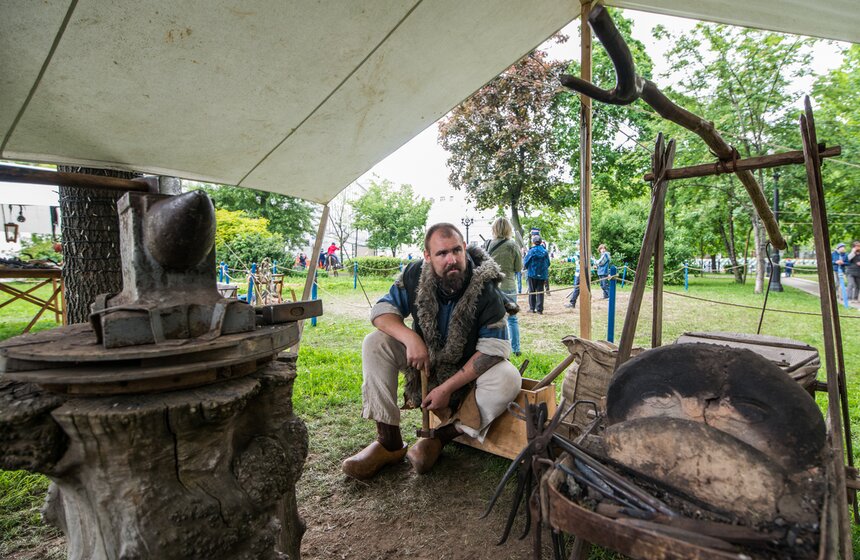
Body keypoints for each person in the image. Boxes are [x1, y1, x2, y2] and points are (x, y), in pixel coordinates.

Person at [341, 223, 521, 480]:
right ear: (427, 256)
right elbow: (381, 312)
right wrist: (411, 339)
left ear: (464, 248)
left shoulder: (487, 289)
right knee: (375, 343)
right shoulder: (415, 275)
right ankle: (389, 442)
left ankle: (440, 438)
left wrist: (447, 389)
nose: (452, 259)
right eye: (442, 253)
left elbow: (493, 350)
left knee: (508, 377)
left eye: (456, 250)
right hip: (424, 362)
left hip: (466, 375)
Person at [486, 217, 522, 356]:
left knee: (495, 319)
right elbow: (518, 267)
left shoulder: (488, 244)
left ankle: (497, 348)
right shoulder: (513, 245)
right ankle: (516, 349)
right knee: (512, 319)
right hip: (509, 285)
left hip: (493, 287)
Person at [523, 235, 550, 314]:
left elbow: (526, 262)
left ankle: (532, 308)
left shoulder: (531, 251)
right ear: (541, 242)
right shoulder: (545, 251)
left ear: (533, 242)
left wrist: (528, 268)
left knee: (532, 291)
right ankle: (539, 310)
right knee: (540, 291)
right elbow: (548, 263)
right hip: (542, 274)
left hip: (532, 273)